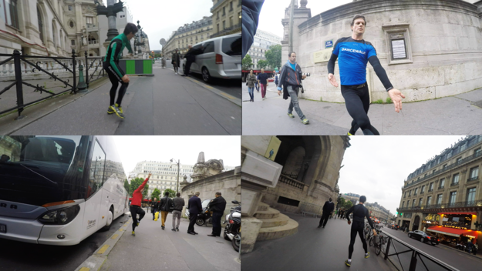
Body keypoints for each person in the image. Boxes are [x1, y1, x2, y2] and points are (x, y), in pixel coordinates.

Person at [327, 14, 405, 135]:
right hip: (348, 90)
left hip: (363, 90)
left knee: (359, 118)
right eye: (357, 23)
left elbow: (377, 66)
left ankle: (351, 133)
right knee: (363, 121)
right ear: (352, 26)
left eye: (363, 24)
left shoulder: (368, 46)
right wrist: (330, 72)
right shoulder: (341, 42)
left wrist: (389, 87)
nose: (360, 25)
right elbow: (331, 60)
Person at [103, 22, 137, 120]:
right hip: (110, 64)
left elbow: (128, 45)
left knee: (115, 84)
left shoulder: (125, 39)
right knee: (125, 82)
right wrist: (122, 75)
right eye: (133, 34)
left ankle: (111, 107)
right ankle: (117, 106)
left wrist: (131, 52)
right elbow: (112, 60)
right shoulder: (118, 41)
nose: (133, 36)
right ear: (130, 33)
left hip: (112, 63)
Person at [344, 195, 377, 267]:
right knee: (363, 239)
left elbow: (346, 214)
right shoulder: (365, 209)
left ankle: (349, 260)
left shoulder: (355, 207)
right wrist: (373, 228)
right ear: (364, 201)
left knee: (352, 241)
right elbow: (369, 219)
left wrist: (349, 220)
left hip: (354, 224)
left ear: (359, 200)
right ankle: (366, 253)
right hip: (361, 226)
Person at [277, 52, 309, 125]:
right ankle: (303, 117)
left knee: (293, 100)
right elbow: (281, 77)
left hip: (297, 86)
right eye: (292, 56)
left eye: (295, 56)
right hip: (289, 86)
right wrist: (279, 88)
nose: (294, 57)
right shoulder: (285, 66)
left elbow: (299, 77)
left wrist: (302, 77)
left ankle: (289, 111)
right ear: (289, 57)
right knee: (296, 102)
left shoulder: (297, 66)